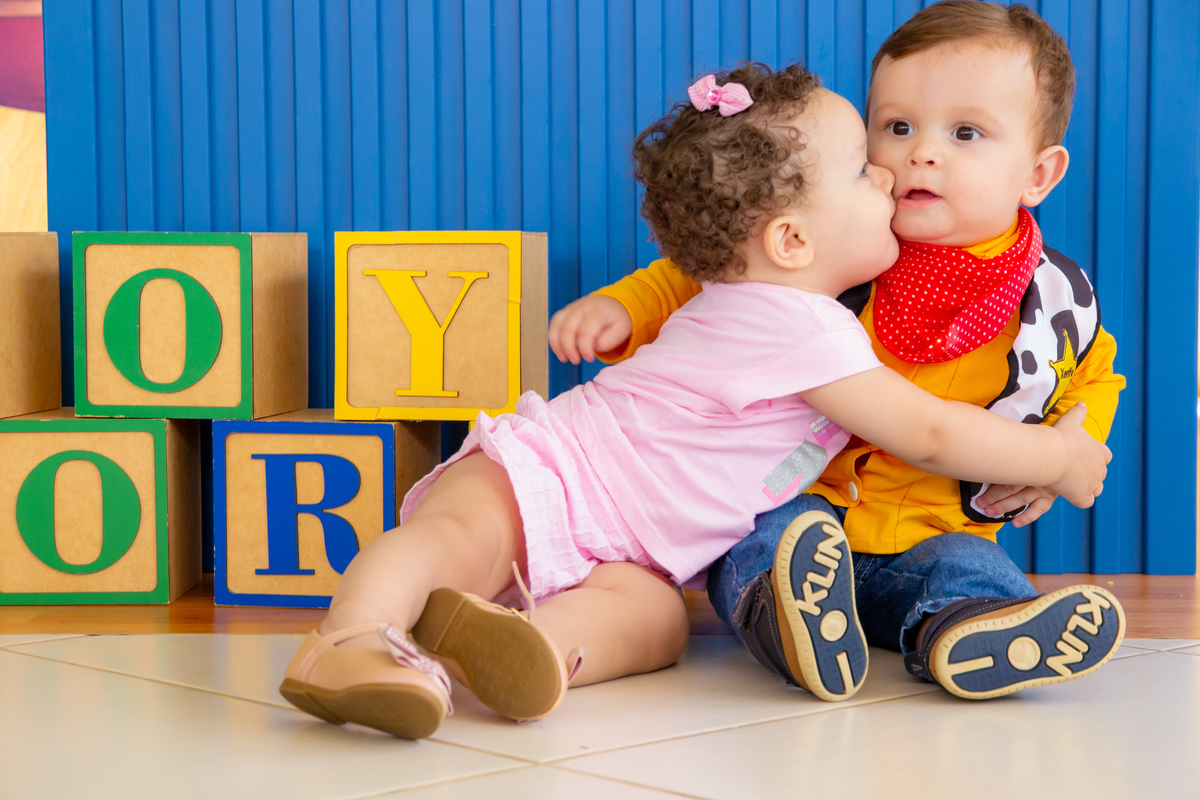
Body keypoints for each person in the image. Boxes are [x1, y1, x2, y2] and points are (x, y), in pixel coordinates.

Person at [280, 61, 1110, 741]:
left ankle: (527, 645)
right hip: (555, 475)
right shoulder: (802, 329)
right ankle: (349, 637)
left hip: (638, 555)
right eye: (864, 171)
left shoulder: (769, 303)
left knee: (657, 623)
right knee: (452, 537)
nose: (889, 177)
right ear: (793, 240)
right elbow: (928, 431)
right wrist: (1060, 457)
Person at [550, 1, 1126, 703]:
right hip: (797, 499)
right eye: (898, 127)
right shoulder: (841, 236)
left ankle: (977, 628)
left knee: (965, 568)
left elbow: (1091, 375)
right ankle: (788, 617)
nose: (921, 152)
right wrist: (623, 308)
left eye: (965, 133)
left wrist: (1068, 452)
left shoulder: (1051, 297)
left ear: (1038, 174)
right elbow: (711, 272)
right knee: (758, 543)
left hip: (930, 529)